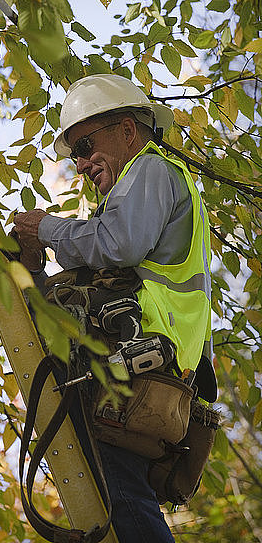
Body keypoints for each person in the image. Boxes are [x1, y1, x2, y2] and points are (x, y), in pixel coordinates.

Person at [12, 74, 212, 543]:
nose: (80, 164)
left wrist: (47, 229)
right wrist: (36, 273)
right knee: (120, 497)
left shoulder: (150, 171)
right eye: (75, 155)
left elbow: (118, 244)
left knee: (123, 497)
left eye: (85, 145)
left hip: (137, 365)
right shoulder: (136, 193)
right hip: (147, 366)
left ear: (126, 130)